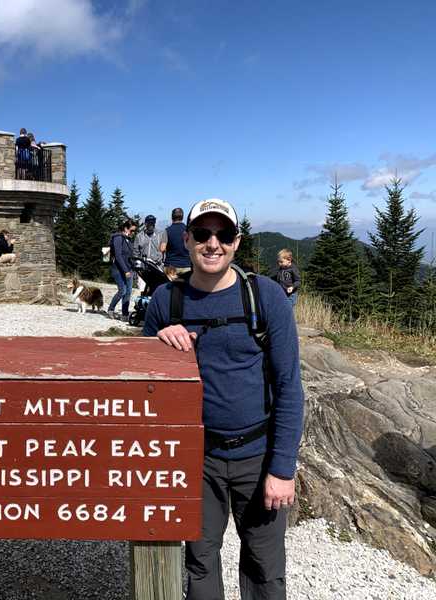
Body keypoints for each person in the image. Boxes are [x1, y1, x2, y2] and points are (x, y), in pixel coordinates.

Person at [143, 198, 304, 600]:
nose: (212, 243)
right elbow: (142, 381)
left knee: (265, 567)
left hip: (258, 454)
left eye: (223, 234)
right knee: (199, 560)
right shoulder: (166, 300)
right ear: (187, 239)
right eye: (202, 233)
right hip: (195, 457)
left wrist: (282, 468)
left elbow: (288, 386)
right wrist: (158, 344)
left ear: (236, 242)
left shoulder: (265, 296)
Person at [107, 219, 136, 320]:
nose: (133, 233)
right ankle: (111, 309)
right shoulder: (118, 238)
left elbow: (129, 255)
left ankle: (124, 314)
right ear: (125, 228)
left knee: (128, 292)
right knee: (122, 291)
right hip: (118, 270)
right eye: (131, 231)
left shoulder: (128, 239)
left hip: (129, 269)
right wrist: (126, 270)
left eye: (134, 231)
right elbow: (118, 256)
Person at [160, 207, 191, 278]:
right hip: (186, 265)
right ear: (182, 217)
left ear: (172, 217)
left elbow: (162, 248)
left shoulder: (167, 230)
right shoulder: (188, 230)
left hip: (171, 266)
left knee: (170, 288)